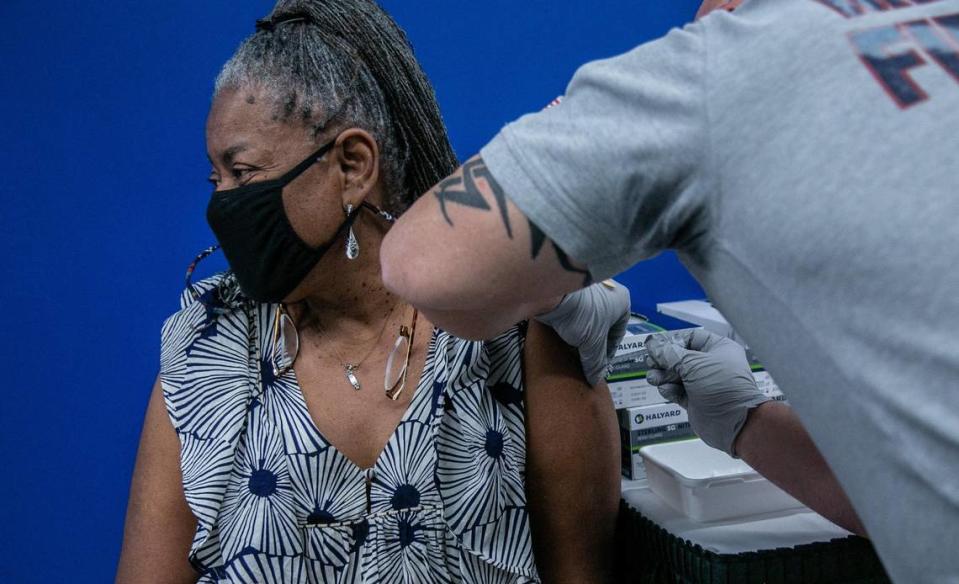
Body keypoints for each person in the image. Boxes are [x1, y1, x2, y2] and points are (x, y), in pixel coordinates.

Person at [380, 0, 959, 582]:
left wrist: (549, 273)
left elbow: (420, 264)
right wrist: (747, 422)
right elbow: (915, 492)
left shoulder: (731, 62)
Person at [115, 1, 624, 582]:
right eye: (217, 179)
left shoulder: (513, 327)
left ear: (354, 165)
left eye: (244, 172)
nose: (221, 205)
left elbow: (580, 571)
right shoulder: (205, 349)